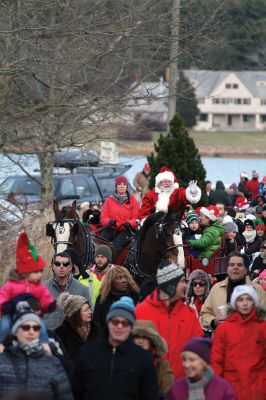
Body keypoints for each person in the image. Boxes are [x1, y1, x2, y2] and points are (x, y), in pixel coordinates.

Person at [71, 296, 159, 400]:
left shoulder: (143, 359)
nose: (119, 326)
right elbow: (75, 391)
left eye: (125, 323)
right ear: (108, 323)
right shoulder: (87, 353)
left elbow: (150, 395)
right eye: (115, 322)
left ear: (131, 327)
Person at [136, 260, 203, 379]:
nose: (186, 286)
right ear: (170, 284)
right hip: (150, 386)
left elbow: (199, 351)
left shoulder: (190, 314)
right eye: (182, 281)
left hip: (182, 387)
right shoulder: (140, 312)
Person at [0, 302, 73, 400]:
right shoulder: (3, 361)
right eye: (26, 327)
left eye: (36, 328)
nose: (31, 331)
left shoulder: (52, 363)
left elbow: (65, 395)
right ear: (16, 331)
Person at [0, 232, 56, 349]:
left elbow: (45, 297)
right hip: (13, 314)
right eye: (36, 272)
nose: (40, 275)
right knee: (5, 324)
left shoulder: (39, 286)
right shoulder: (11, 284)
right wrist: (4, 305)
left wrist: (50, 304)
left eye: (41, 271)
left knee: (42, 326)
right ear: (25, 272)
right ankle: (1, 345)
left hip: (32, 315)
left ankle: (45, 346)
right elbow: (3, 296)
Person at [211, 285, 266, 400]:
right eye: (241, 299)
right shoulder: (224, 328)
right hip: (231, 386)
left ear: (254, 302)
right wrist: (217, 387)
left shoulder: (262, 327)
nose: (245, 303)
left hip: (258, 388)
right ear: (235, 303)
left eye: (249, 299)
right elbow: (217, 359)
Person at [200, 252, 266, 332]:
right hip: (221, 341)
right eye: (232, 265)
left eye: (239, 265)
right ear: (227, 269)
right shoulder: (216, 289)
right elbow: (204, 314)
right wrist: (214, 322)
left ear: (246, 270)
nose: (235, 268)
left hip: (249, 341)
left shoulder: (257, 290)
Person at [167, 337, 236, 400]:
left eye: (192, 360)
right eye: (184, 360)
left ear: (204, 362)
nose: (187, 365)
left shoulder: (222, 388)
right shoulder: (176, 389)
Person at [44, 252, 91, 330]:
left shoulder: (83, 290)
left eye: (65, 264)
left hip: (73, 339)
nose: (61, 267)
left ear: (70, 267)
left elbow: (89, 316)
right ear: (52, 266)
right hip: (48, 338)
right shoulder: (42, 289)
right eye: (57, 263)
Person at [100, 175, 140, 260]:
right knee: (100, 242)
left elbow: (136, 218)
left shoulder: (133, 201)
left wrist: (129, 223)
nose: (122, 186)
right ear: (116, 186)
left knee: (116, 246)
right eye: (119, 184)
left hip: (127, 230)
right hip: (111, 228)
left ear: (127, 186)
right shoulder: (109, 201)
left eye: (124, 184)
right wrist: (109, 221)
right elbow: (103, 217)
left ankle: (111, 266)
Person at [132, 320, 174, 398]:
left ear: (152, 341)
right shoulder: (123, 361)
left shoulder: (162, 365)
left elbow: (168, 391)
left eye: (145, 337)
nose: (140, 341)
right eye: (137, 337)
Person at [55, 293, 101, 362]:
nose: (90, 312)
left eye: (89, 308)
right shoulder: (60, 333)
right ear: (75, 314)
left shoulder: (96, 328)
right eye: (86, 310)